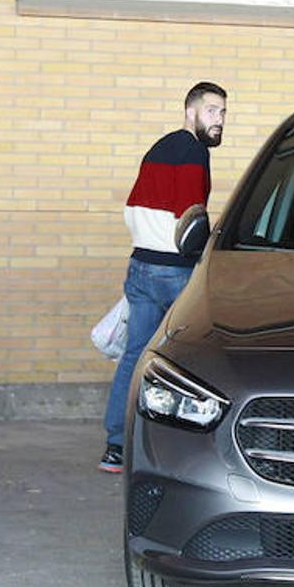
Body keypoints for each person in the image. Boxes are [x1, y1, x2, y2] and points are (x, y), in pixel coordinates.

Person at [98, 82, 228, 473]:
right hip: (175, 271)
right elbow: (191, 218)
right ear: (190, 112)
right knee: (194, 360)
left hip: (140, 267)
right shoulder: (193, 150)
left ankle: (115, 447)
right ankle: (188, 453)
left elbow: (132, 208)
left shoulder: (158, 148)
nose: (219, 120)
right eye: (211, 111)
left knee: (135, 357)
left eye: (223, 112)